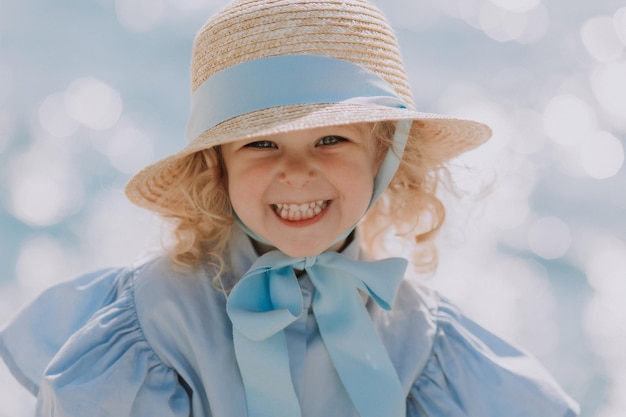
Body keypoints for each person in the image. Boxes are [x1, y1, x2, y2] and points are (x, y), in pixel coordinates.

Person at [0, 0, 579, 416]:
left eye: (332, 140)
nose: (297, 171)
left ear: (383, 157)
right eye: (261, 142)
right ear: (216, 166)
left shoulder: (419, 336)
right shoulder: (156, 323)